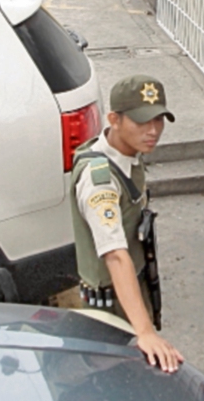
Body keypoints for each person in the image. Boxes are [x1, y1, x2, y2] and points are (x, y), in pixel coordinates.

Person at [70, 74, 183, 373]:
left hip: (133, 291)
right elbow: (115, 256)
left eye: (158, 120)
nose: (153, 130)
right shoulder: (100, 181)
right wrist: (145, 332)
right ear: (114, 120)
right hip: (112, 308)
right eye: (142, 121)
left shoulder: (128, 152)